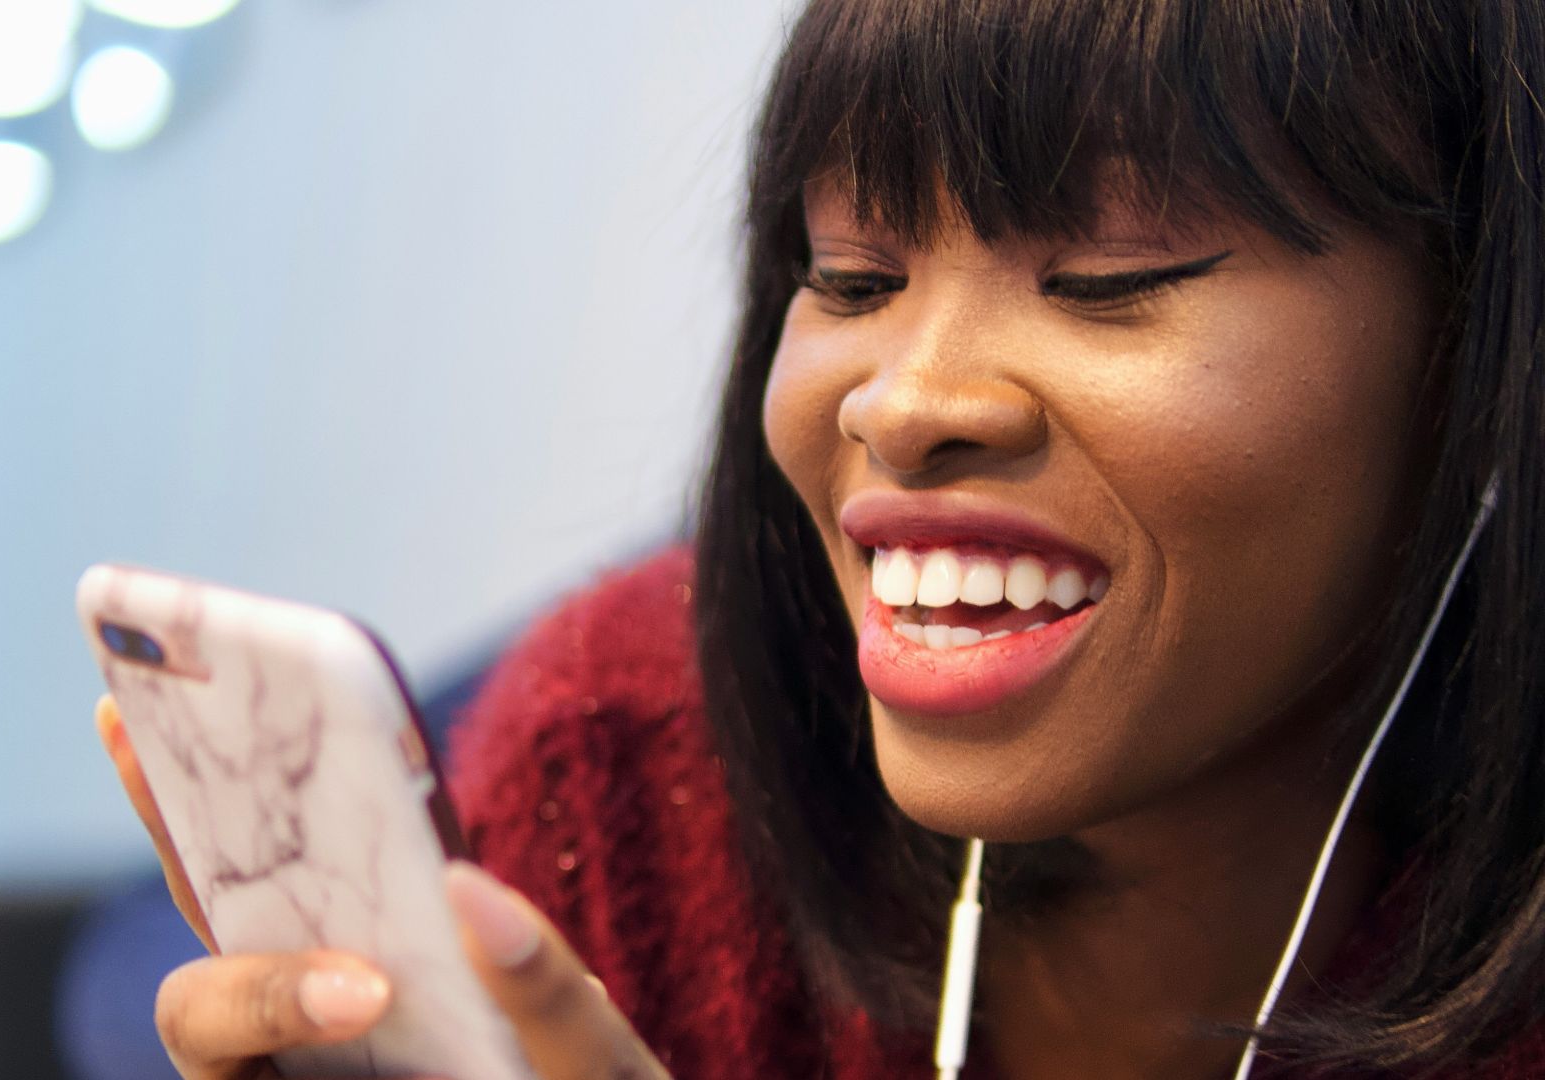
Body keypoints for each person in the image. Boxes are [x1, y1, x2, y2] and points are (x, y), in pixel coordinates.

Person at [94, 0, 1545, 1076]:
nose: (907, 403)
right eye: (851, 275)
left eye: (1111, 275)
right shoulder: (622, 753)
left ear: (1477, 348)